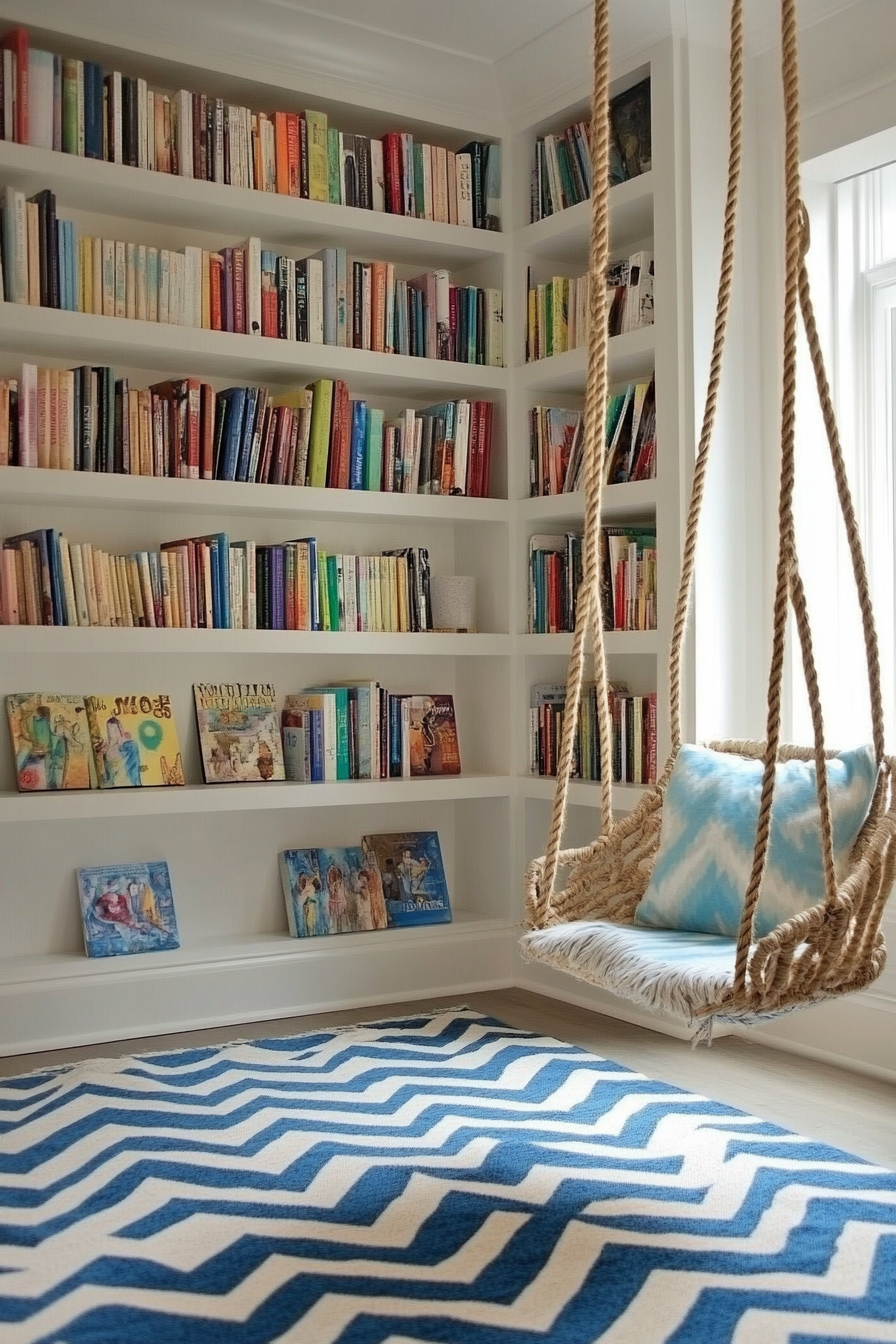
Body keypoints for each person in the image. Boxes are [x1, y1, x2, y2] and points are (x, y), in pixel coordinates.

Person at [96, 716, 142, 787]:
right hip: (112, 786)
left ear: (119, 729)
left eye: (114, 730)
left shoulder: (129, 746)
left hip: (127, 784)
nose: (111, 734)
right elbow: (105, 774)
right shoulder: (105, 749)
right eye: (109, 730)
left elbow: (133, 768)